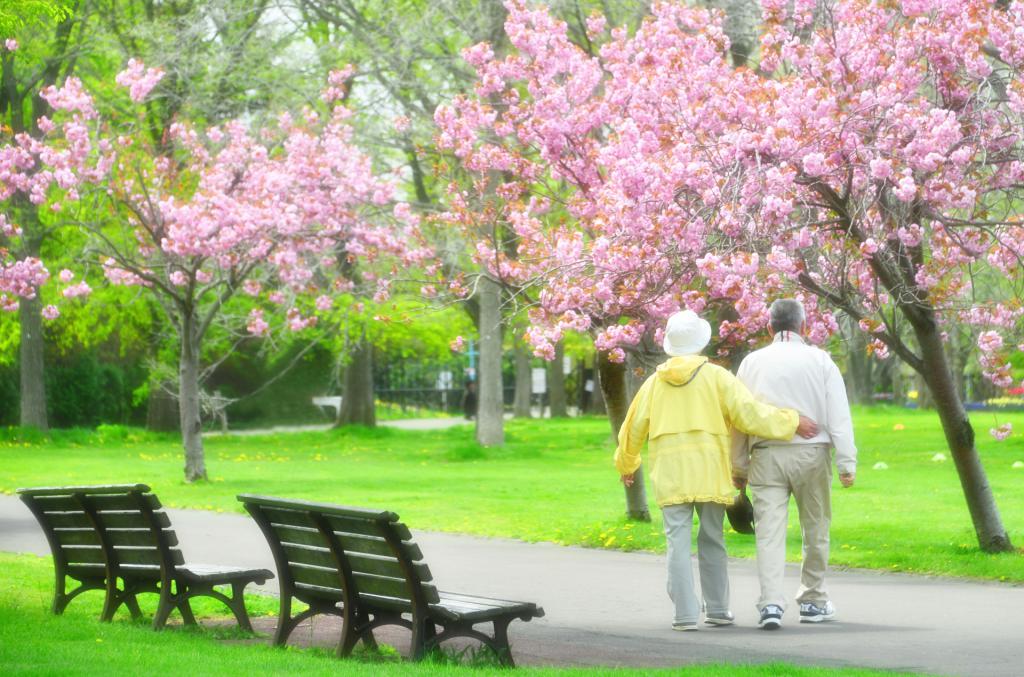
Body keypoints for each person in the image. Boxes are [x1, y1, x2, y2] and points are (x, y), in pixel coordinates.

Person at [614, 310, 819, 632]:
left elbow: (632, 427)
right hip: (710, 469)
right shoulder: (717, 377)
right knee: (712, 538)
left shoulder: (654, 383)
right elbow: (750, 415)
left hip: (671, 473)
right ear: (699, 342)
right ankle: (719, 610)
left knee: (677, 543)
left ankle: (684, 614)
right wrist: (792, 421)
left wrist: (626, 463)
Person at [731, 299, 857, 631]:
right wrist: (846, 461)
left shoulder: (751, 363)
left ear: (769, 327)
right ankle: (813, 599)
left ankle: (771, 603)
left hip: (766, 453)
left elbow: (740, 417)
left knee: (769, 533)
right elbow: (839, 414)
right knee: (815, 528)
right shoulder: (820, 360)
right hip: (811, 453)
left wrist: (738, 466)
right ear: (804, 327)